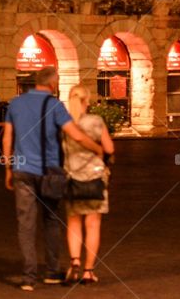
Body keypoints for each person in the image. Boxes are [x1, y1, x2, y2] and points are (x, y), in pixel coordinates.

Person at [3, 66, 104, 292]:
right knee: (51, 220)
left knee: (25, 224)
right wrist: (97, 148)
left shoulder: (15, 104)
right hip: (49, 171)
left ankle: (28, 278)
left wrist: (8, 168)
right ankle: (51, 271)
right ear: (53, 84)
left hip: (22, 170)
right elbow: (75, 134)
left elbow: (8, 138)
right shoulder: (55, 106)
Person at [63, 85, 115, 285]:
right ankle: (88, 270)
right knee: (93, 225)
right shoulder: (96, 121)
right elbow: (109, 148)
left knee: (74, 222)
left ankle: (74, 262)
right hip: (95, 178)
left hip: (71, 178)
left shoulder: (64, 124)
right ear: (88, 101)